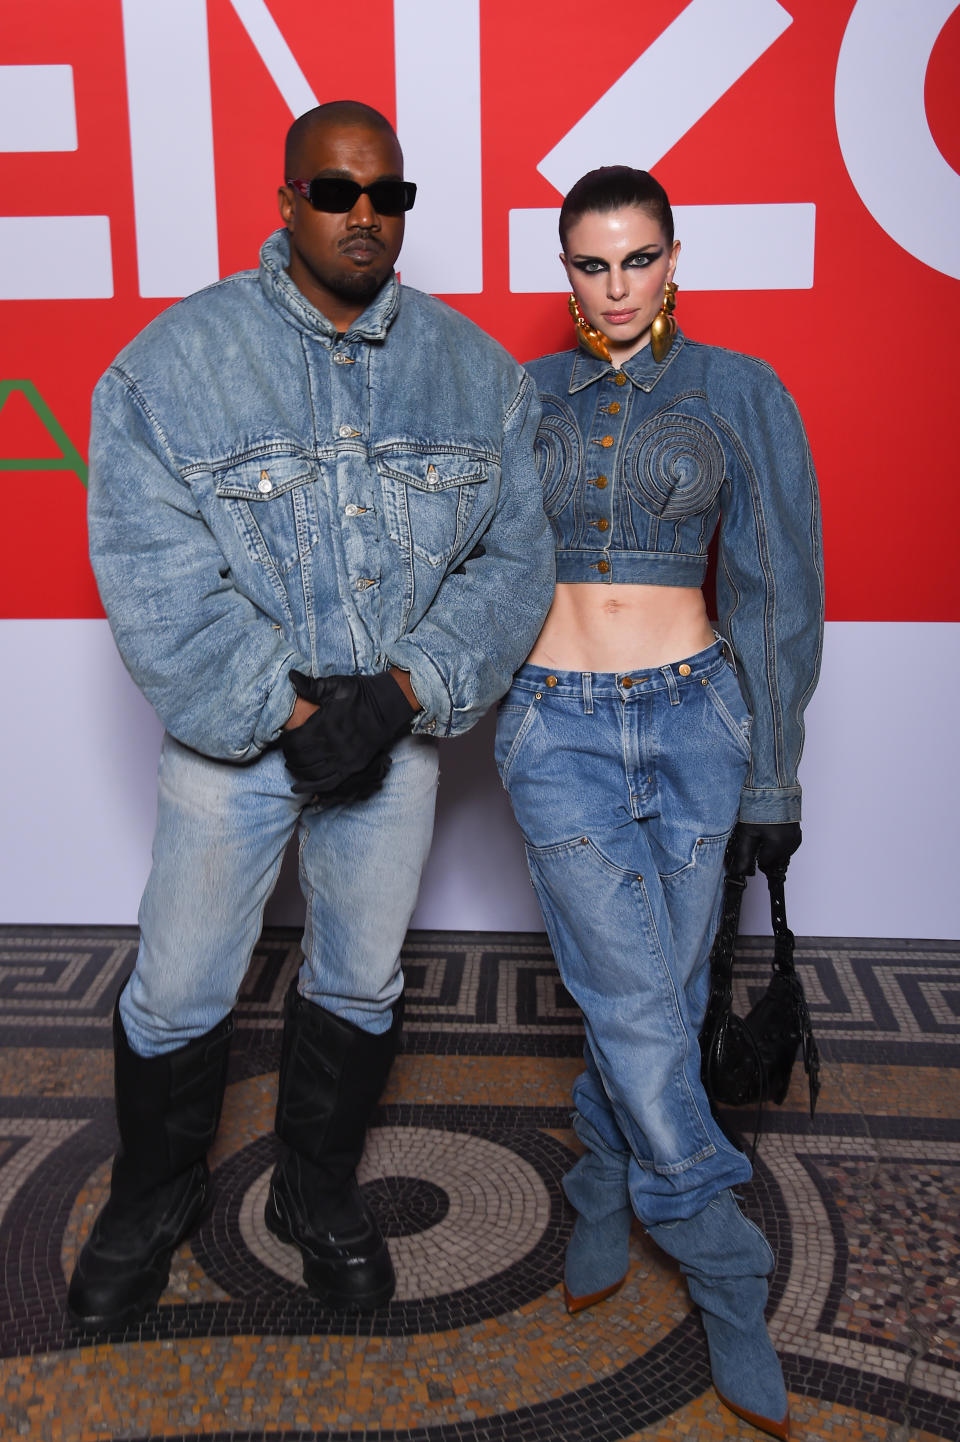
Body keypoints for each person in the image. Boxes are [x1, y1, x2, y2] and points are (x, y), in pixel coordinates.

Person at [69, 100, 553, 1332]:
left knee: (360, 974)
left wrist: (400, 695)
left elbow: (514, 566)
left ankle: (314, 1191)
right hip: (230, 752)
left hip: (391, 743)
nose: (363, 218)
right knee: (180, 986)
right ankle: (152, 1195)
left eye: (387, 197)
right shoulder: (171, 365)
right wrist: (281, 709)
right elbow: (152, 568)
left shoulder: (478, 373)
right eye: (335, 193)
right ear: (285, 203)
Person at [495, 167, 823, 1440]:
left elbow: (774, 585)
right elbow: (474, 557)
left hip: (698, 716)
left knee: (669, 991)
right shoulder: (523, 398)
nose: (615, 287)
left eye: (637, 260)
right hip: (556, 722)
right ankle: (724, 1257)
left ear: (675, 259)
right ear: (565, 268)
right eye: (591, 263)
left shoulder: (740, 391)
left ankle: (601, 1169)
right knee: (634, 995)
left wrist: (771, 769)